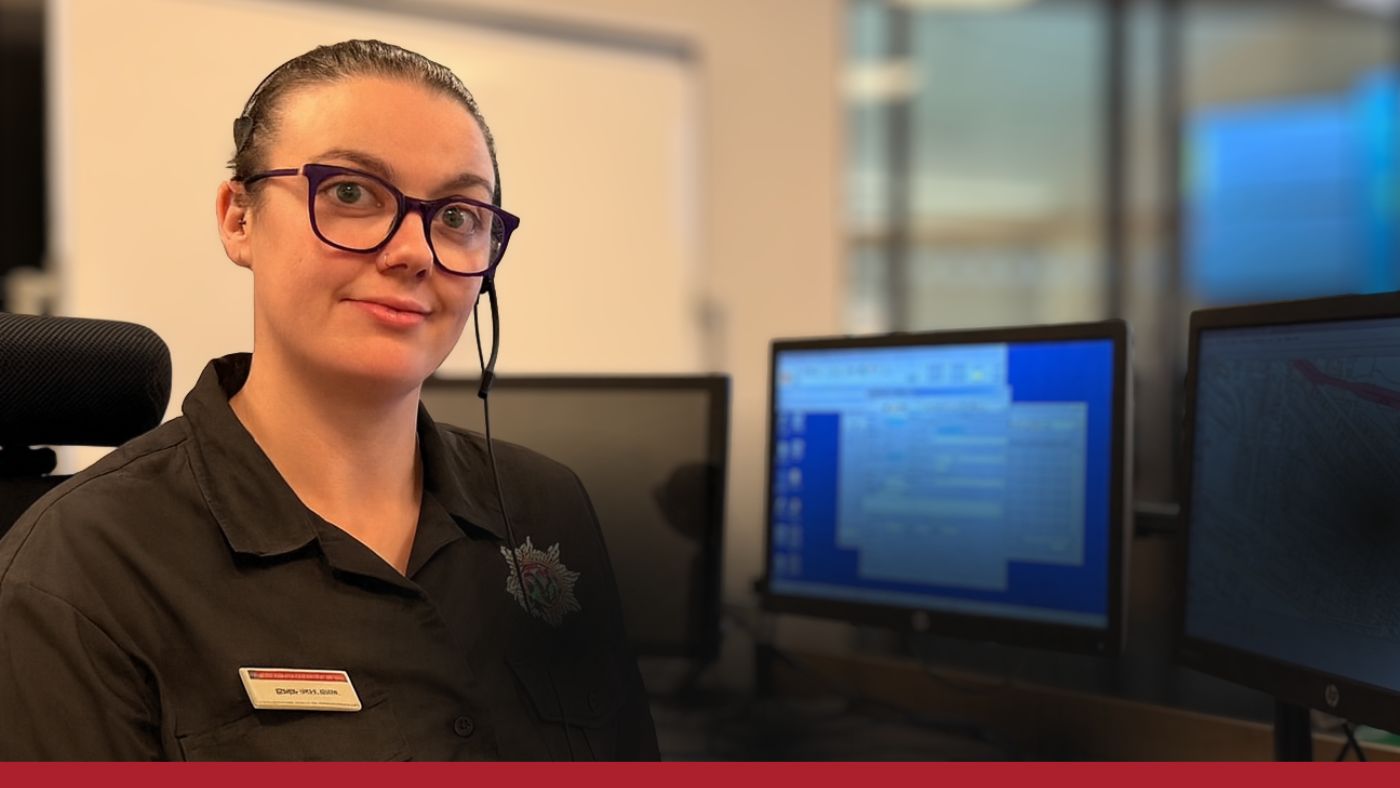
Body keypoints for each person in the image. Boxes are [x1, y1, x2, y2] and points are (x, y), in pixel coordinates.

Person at [0, 39, 658, 761]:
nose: (412, 251)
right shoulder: (83, 564)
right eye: (350, 193)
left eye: (458, 216)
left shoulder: (545, 509)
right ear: (238, 219)